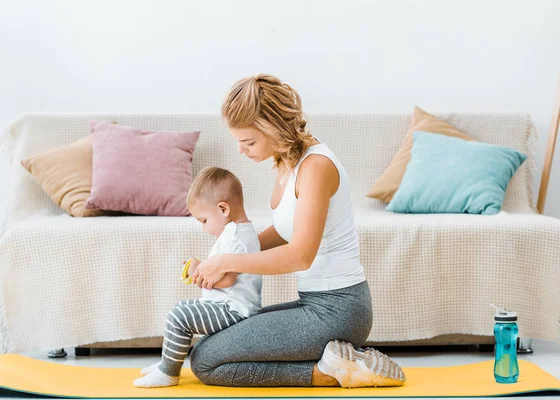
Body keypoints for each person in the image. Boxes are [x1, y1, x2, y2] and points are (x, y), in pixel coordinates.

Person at [189, 74, 406, 388]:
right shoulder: (286, 161)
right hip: (314, 304)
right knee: (207, 347)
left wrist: (225, 263)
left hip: (340, 311)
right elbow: (282, 230)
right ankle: (336, 361)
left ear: (273, 129)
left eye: (248, 141)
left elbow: (301, 255)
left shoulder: (316, 167)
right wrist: (220, 256)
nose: (240, 150)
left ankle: (331, 372)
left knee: (206, 361)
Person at [134, 167, 262, 388]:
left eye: (203, 220)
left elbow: (228, 280)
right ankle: (168, 362)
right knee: (182, 310)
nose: (203, 228)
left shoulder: (238, 237)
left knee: (179, 315)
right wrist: (201, 266)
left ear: (223, 209)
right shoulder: (234, 232)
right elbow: (223, 270)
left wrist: (198, 273)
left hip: (234, 310)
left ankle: (169, 372)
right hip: (226, 305)